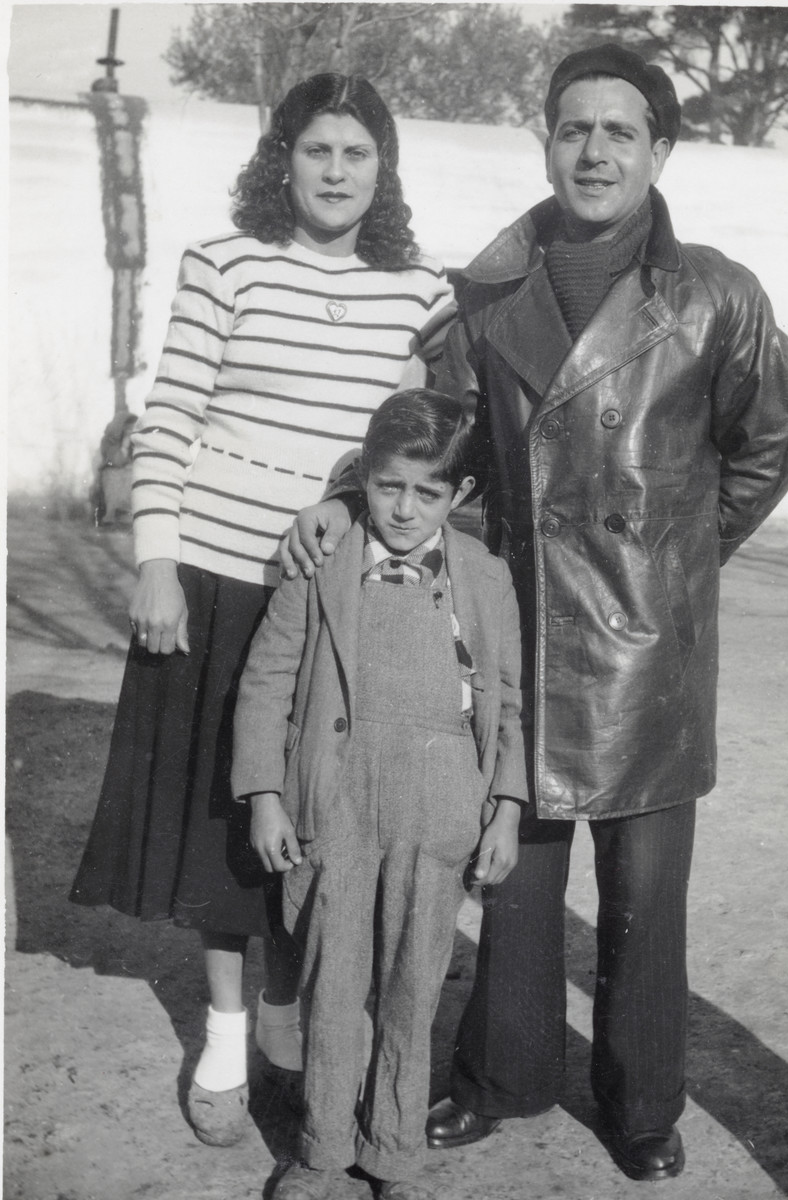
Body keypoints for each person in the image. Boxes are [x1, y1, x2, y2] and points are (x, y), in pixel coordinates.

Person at [283, 45, 788, 1183]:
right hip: (519, 636)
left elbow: (769, 446)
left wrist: (674, 561)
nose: (596, 151)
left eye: (621, 131)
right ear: (547, 141)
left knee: (644, 896)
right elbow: (435, 437)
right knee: (512, 875)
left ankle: (640, 1105)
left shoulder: (720, 294)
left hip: (652, 651)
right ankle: (504, 1077)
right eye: (575, 128)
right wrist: (342, 496)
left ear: (661, 151)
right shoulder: (487, 295)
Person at [68, 73, 456, 1149]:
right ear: (281, 159)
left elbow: (425, 440)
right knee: (219, 829)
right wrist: (154, 564)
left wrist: (343, 500)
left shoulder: (420, 291)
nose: (336, 172)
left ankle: (312, 1034)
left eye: (358, 154)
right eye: (317, 150)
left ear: (385, 170)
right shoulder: (222, 264)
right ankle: (231, 1041)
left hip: (332, 601)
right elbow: (171, 417)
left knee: (318, 818)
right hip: (209, 576)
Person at [231, 389, 527, 1200]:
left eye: (426, 492)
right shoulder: (322, 563)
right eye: (388, 486)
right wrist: (264, 793)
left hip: (440, 809)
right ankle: (321, 1151)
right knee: (333, 982)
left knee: (412, 983)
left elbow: (509, 700)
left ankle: (393, 1154)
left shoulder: (486, 578)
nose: (403, 508)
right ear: (364, 478)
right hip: (339, 801)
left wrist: (504, 806)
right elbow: (266, 681)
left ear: (458, 495)